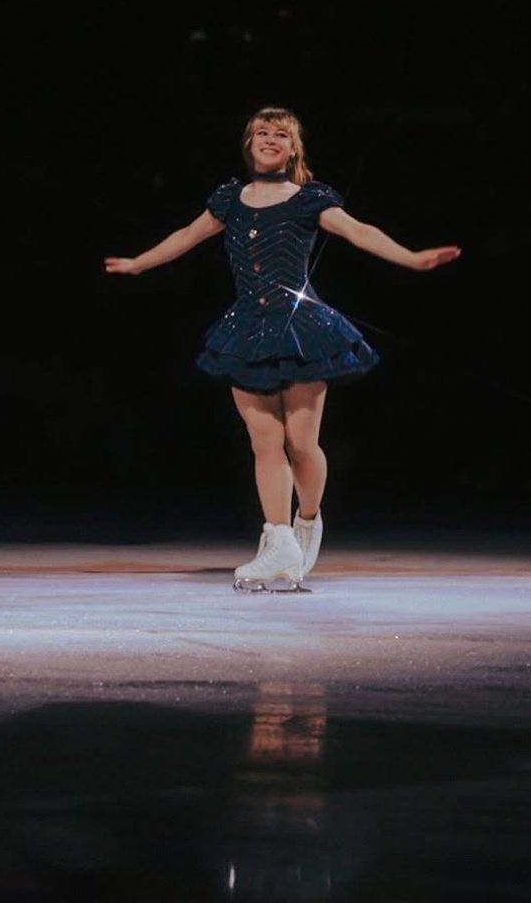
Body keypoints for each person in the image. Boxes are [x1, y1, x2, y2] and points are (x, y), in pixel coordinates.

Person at [105, 106, 461, 592]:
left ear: (293, 148)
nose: (270, 139)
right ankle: (278, 540)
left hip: (302, 329)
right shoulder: (229, 199)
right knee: (264, 440)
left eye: (280, 134)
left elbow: (359, 231)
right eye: (262, 132)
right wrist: (138, 263)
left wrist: (412, 259)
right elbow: (186, 236)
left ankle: (307, 521)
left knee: (301, 442)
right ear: (249, 143)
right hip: (247, 330)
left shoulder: (309, 199)